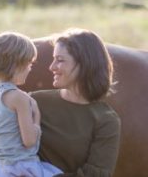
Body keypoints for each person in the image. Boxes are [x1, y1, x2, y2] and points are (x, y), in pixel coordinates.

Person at [30, 28, 121, 176]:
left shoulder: (106, 120)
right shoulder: (34, 101)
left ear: (85, 64)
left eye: (60, 60)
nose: (52, 67)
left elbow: (96, 175)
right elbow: (2, 148)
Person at [0, 32, 63, 176]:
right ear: (17, 65)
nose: (30, 69)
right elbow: (29, 141)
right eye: (29, 64)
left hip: (0, 167)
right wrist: (36, 118)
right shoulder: (19, 98)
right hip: (21, 167)